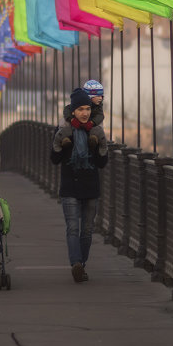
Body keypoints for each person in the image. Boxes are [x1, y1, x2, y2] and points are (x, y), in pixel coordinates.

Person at [51, 87, 108, 283]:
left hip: (91, 187)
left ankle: (80, 265)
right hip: (70, 187)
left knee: (87, 230)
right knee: (73, 228)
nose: (85, 113)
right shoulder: (63, 129)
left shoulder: (96, 130)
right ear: (73, 110)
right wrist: (61, 144)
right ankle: (76, 263)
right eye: (80, 109)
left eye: (87, 109)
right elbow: (54, 159)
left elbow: (102, 163)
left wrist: (99, 147)